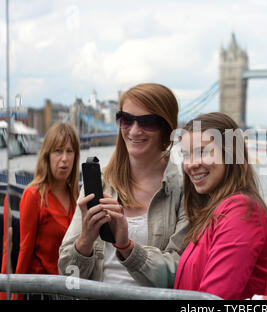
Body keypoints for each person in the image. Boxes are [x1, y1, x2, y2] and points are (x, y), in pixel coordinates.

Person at [58, 83, 189, 288]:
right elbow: (68, 273)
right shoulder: (99, 185)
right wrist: (85, 240)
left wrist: (127, 247)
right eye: (126, 120)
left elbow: (180, 273)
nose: (135, 131)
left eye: (148, 122)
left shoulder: (184, 192)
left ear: (167, 128)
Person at [174, 112, 267, 300]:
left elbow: (213, 299)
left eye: (203, 152)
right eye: (186, 155)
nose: (191, 164)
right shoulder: (215, 211)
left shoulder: (240, 211)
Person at [4, 122, 80, 299]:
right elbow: (25, 250)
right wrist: (16, 296)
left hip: (70, 289)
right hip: (41, 291)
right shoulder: (34, 195)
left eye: (70, 151)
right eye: (58, 151)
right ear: (47, 155)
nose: (64, 159)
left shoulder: (77, 197)